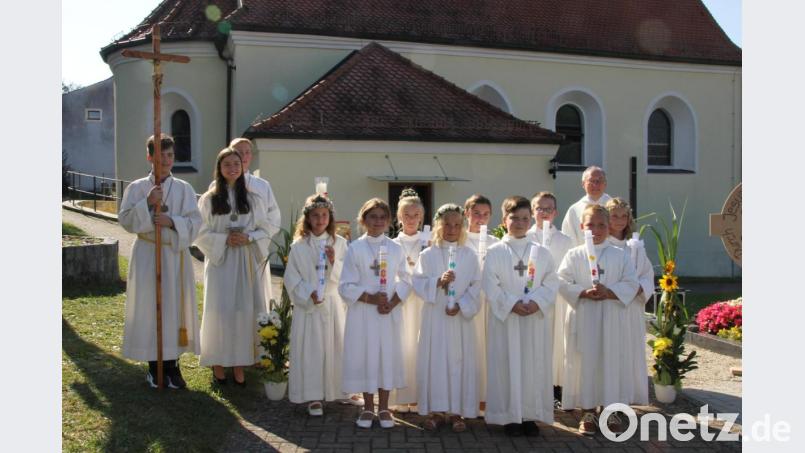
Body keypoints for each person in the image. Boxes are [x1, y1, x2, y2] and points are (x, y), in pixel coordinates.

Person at [119, 134, 202, 389]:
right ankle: (154, 367)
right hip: (148, 253)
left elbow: (196, 222)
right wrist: (147, 202)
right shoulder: (136, 188)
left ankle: (172, 365)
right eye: (160, 155)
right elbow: (125, 220)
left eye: (170, 155)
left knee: (173, 309)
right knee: (150, 307)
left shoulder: (184, 189)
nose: (165, 161)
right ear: (149, 157)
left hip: (174, 256)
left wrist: (172, 222)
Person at [557, 204, 639, 435]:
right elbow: (561, 281)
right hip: (585, 316)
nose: (596, 230)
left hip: (612, 317)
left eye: (601, 225)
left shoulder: (620, 255)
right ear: (582, 226)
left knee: (611, 362)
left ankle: (611, 410)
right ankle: (588, 411)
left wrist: (609, 292)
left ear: (609, 226)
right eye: (590, 225)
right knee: (586, 363)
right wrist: (583, 292)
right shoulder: (574, 255)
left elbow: (631, 283)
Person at [195, 148, 272, 386]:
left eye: (236, 164)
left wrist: (249, 237)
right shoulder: (209, 199)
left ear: (242, 167)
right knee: (219, 308)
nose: (232, 168)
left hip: (245, 260)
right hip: (221, 261)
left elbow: (266, 228)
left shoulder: (253, 199)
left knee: (242, 309)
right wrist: (223, 240)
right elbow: (199, 231)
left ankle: (239, 363)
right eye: (227, 164)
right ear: (219, 168)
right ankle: (218, 362)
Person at [482, 196, 559, 437]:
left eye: (525, 218)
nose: (520, 223)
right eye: (514, 218)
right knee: (506, 365)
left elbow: (551, 281)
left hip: (533, 319)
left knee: (532, 366)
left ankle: (529, 415)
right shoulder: (494, 252)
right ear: (504, 220)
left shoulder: (542, 252)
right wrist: (512, 304)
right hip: (506, 319)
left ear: (531, 220)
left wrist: (537, 302)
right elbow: (490, 284)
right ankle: (509, 416)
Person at [339, 198, 413, 429]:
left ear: (389, 221)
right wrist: (370, 299)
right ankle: (368, 407)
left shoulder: (395, 248)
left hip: (387, 314)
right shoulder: (355, 248)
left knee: (385, 357)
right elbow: (345, 284)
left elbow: (406, 279)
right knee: (366, 356)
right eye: (373, 217)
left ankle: (384, 408)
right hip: (363, 313)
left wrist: (392, 302)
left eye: (382, 217)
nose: (378, 221)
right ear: (363, 220)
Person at [285, 194, 359, 415]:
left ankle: (342, 391)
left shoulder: (340, 243)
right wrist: (308, 293)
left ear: (330, 218)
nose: (320, 220)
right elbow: (291, 278)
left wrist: (334, 262)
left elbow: (350, 274)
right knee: (313, 350)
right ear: (308, 218)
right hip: (310, 306)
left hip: (333, 303)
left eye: (324, 215)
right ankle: (313, 396)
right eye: (315, 215)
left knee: (337, 347)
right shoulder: (299, 246)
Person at [413, 204, 481, 432]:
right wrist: (437, 282)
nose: (452, 229)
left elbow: (476, 286)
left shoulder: (469, 255)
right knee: (436, 361)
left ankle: (457, 412)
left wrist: (462, 305)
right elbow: (417, 282)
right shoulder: (428, 255)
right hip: (436, 318)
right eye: (447, 224)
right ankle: (436, 410)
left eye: (457, 225)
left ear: (462, 227)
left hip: (459, 319)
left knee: (459, 361)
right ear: (438, 226)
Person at [526, 192, 573, 406]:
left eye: (548, 209)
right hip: (532, 299)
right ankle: (533, 387)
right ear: (532, 211)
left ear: (555, 213)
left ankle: (556, 387)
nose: (543, 213)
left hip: (557, 300)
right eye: (539, 208)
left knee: (556, 344)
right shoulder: (525, 238)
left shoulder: (565, 241)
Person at [605, 197, 653, 406]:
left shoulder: (635, 247)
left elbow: (647, 274)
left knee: (629, 351)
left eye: (623, 216)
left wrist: (639, 287)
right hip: (609, 306)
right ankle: (607, 395)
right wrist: (620, 291)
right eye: (614, 216)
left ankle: (627, 395)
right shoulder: (601, 246)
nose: (619, 220)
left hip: (631, 307)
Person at [228, 138, 282, 304]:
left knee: (254, 301)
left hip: (253, 250)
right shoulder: (216, 186)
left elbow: (274, 220)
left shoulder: (262, 186)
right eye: (239, 152)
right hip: (227, 250)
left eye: (247, 152)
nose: (244, 156)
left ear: (251, 156)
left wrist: (252, 237)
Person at [462, 194, 499, 415]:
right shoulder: (460, 240)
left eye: (485, 214)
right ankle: (468, 397)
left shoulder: (496, 243)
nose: (480, 218)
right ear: (467, 213)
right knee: (470, 349)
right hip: (467, 301)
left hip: (489, 303)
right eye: (476, 213)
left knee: (488, 349)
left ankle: (486, 397)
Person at [390, 188, 425, 414]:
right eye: (406, 215)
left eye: (415, 215)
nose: (411, 220)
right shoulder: (392, 243)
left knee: (421, 347)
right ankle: (402, 396)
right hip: (400, 302)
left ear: (421, 217)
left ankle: (420, 395)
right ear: (399, 217)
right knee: (402, 347)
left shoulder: (429, 242)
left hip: (422, 303)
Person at [561, 166, 612, 247]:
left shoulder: (614, 207)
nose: (595, 184)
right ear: (583, 184)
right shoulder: (574, 210)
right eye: (591, 181)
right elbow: (568, 239)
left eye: (599, 180)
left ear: (605, 184)